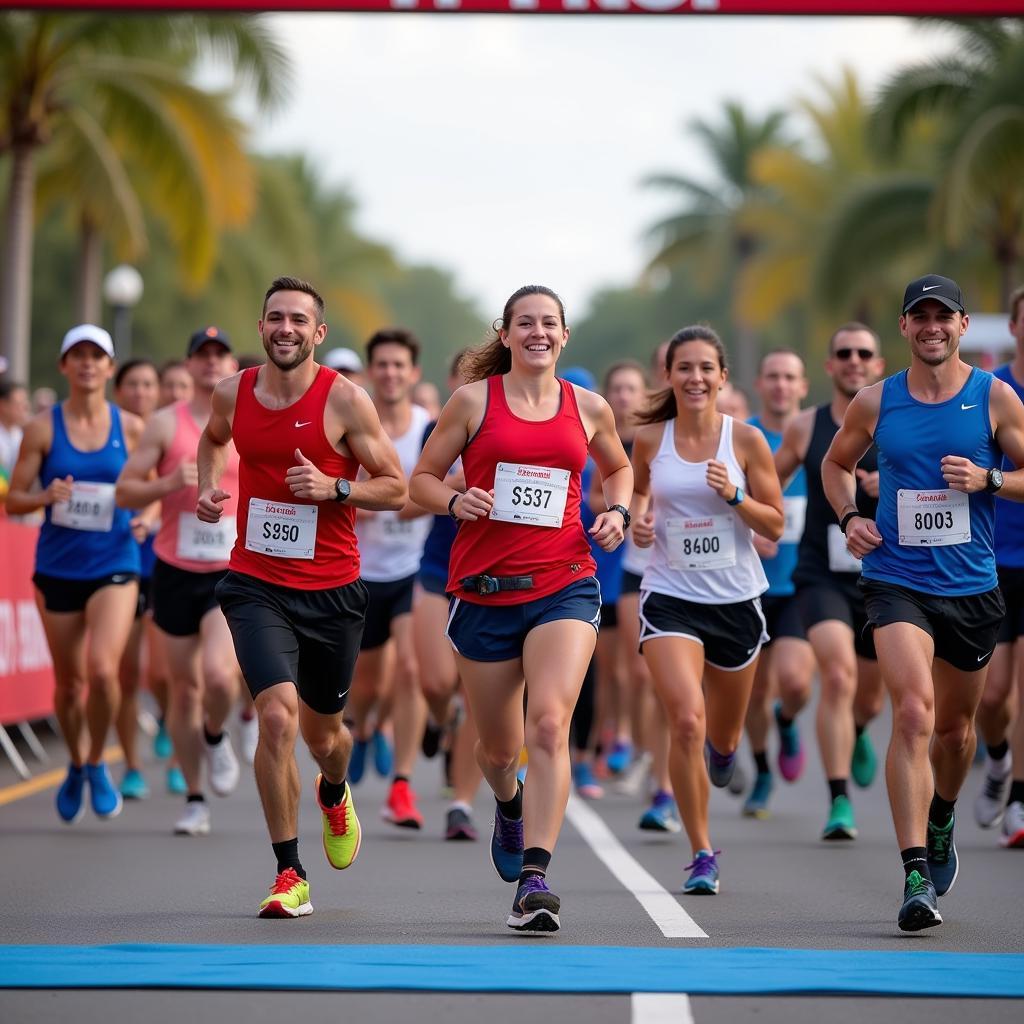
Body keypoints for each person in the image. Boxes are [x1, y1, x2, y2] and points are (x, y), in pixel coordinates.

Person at [410, 284, 631, 933]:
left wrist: (616, 510)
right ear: (504, 335)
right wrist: (454, 502)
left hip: (565, 582)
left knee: (549, 724)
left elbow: (617, 471)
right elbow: (420, 480)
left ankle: (535, 877)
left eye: (549, 323)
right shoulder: (472, 401)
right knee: (499, 752)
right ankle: (507, 803)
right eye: (524, 323)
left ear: (564, 336)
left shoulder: (587, 407)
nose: (538, 332)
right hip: (483, 592)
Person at [196, 277, 405, 918]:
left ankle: (334, 790)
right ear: (262, 327)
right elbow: (213, 439)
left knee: (325, 737)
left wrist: (335, 490)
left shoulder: (345, 402)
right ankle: (290, 872)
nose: (285, 328)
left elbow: (395, 487)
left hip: (333, 590)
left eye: (298, 321)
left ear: (319, 334)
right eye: (274, 318)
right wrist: (208, 488)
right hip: (256, 582)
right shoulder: (233, 391)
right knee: (278, 716)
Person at [823, 274, 1024, 932]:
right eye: (920, 316)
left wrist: (990, 477)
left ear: (963, 325)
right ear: (904, 328)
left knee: (955, 732)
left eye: (945, 315)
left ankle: (943, 815)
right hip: (896, 577)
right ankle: (914, 873)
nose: (932, 325)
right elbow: (835, 464)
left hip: (971, 586)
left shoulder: (993, 397)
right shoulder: (877, 401)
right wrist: (852, 515)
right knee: (912, 712)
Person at [630, 325, 783, 896]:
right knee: (686, 720)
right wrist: (640, 519)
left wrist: (736, 496)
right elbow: (640, 495)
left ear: (722, 377)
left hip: (737, 600)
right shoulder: (650, 438)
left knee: (720, 735)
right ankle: (700, 851)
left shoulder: (745, 441)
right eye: (683, 368)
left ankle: (725, 752)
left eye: (705, 368)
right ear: (668, 376)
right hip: (670, 596)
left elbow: (775, 524)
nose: (695, 378)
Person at [5, 325, 144, 824]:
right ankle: (78, 762)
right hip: (58, 566)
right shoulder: (42, 429)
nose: (87, 364)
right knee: (68, 686)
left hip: (116, 561)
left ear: (110, 367)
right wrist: (45, 497)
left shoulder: (129, 428)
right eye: (77, 356)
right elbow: (14, 495)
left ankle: (96, 759)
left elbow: (151, 491)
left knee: (104, 671)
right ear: (64, 366)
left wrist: (148, 518)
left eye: (97, 357)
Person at [116, 328, 245, 835]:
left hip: (229, 570)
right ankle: (195, 798)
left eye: (220, 355)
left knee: (217, 676)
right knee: (182, 690)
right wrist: (170, 483)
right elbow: (125, 491)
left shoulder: (249, 420)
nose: (211, 363)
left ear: (232, 363)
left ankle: (216, 736)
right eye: (202, 356)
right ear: (189, 366)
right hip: (174, 568)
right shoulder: (165, 425)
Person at [774, 323, 886, 841]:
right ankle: (839, 800)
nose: (854, 360)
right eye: (844, 352)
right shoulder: (806, 427)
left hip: (886, 575)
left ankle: (860, 730)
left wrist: (894, 481)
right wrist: (755, 520)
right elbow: (766, 483)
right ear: (830, 365)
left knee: (870, 699)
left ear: (878, 364)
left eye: (864, 353)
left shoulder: (899, 422)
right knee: (835, 676)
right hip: (822, 572)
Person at [345, 328, 432, 829]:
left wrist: (399, 505)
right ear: (370, 370)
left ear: (413, 373)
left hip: (414, 570)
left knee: (412, 671)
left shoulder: (427, 427)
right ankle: (359, 727)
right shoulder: (355, 422)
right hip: (359, 570)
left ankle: (402, 786)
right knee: (366, 679)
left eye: (400, 365)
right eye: (382, 364)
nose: (391, 373)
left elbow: (446, 485)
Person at [413, 348, 484, 839]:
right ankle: (442, 719)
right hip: (440, 568)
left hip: (491, 572)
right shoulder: (437, 429)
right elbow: (412, 498)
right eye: (463, 379)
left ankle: (461, 802)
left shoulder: (521, 426)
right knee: (437, 682)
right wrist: (453, 492)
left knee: (478, 695)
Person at [742, 350, 816, 818]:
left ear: (803, 385)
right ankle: (764, 769)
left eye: (790, 377)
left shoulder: (816, 435)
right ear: (759, 383)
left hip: (800, 583)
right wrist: (748, 529)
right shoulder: (743, 437)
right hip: (748, 585)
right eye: (773, 377)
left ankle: (787, 720)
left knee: (794, 682)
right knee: (752, 690)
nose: (781, 386)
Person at [974, 283, 1024, 848]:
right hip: (989, 559)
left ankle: (1018, 802)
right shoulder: (993, 391)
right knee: (993, 697)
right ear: (1013, 326)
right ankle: (999, 758)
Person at [112, 358, 162, 799]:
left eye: (149, 384)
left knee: (167, 673)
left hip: (166, 565)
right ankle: (130, 764)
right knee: (128, 674)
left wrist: (149, 515)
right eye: (133, 385)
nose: (141, 392)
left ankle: (172, 726)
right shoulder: (114, 437)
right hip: (120, 565)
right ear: (119, 391)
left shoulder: (171, 432)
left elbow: (175, 492)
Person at [0, 378, 30, 490]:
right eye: (19, 403)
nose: (25, 408)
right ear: (3, 405)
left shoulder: (21, 435)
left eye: (25, 403)